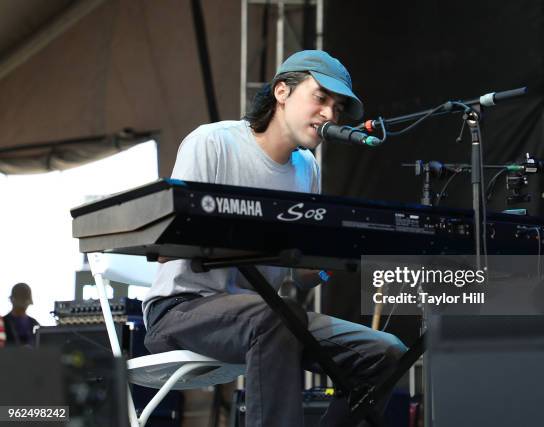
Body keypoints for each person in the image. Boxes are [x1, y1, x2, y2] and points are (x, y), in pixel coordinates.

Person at [143, 50, 407, 427]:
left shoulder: (306, 168)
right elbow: (169, 247)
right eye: (320, 98)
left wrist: (340, 261)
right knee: (279, 319)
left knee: (386, 352)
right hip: (181, 310)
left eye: (337, 107)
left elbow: (288, 279)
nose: (330, 115)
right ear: (282, 91)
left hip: (264, 315)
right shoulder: (212, 143)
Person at [4, 283, 39, 347]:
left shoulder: (34, 323)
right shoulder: (3, 323)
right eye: (21, 300)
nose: (23, 305)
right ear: (12, 300)